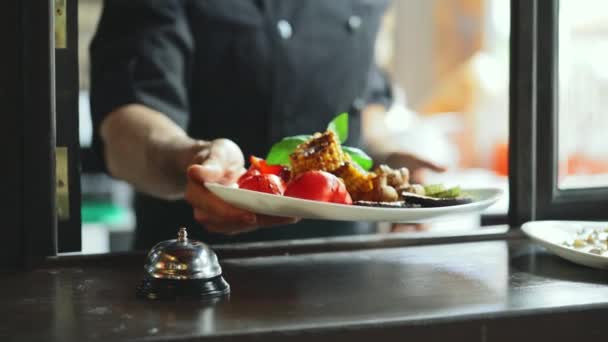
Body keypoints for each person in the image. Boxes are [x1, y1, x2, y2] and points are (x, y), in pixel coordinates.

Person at [90, 0, 443, 249]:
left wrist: (389, 165)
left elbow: (362, 112)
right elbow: (126, 125)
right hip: (201, 270)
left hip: (345, 266)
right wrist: (194, 161)